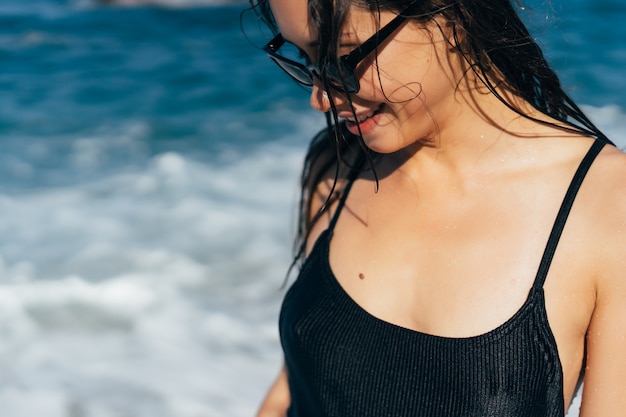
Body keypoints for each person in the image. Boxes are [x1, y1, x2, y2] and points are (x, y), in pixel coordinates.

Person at [249, 0, 626, 415]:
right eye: (305, 59)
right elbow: (291, 389)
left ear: (452, 16)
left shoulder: (608, 203)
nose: (321, 98)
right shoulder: (337, 169)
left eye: (341, 56)